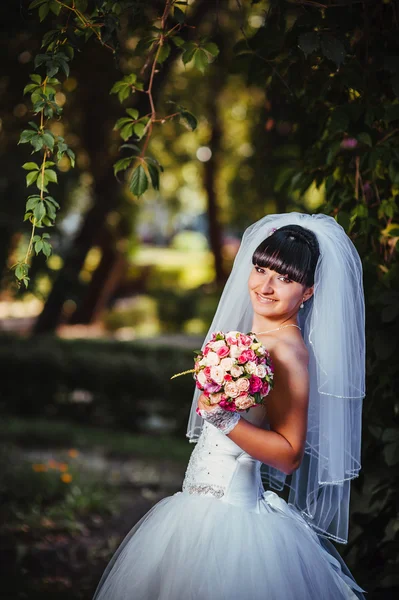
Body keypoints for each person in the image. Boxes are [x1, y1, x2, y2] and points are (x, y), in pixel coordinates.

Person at [92, 212, 366, 600]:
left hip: (231, 519)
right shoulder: (253, 336)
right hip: (196, 505)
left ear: (308, 292)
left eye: (285, 279)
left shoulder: (287, 353)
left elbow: (289, 455)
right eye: (261, 269)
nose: (266, 286)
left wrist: (221, 417)